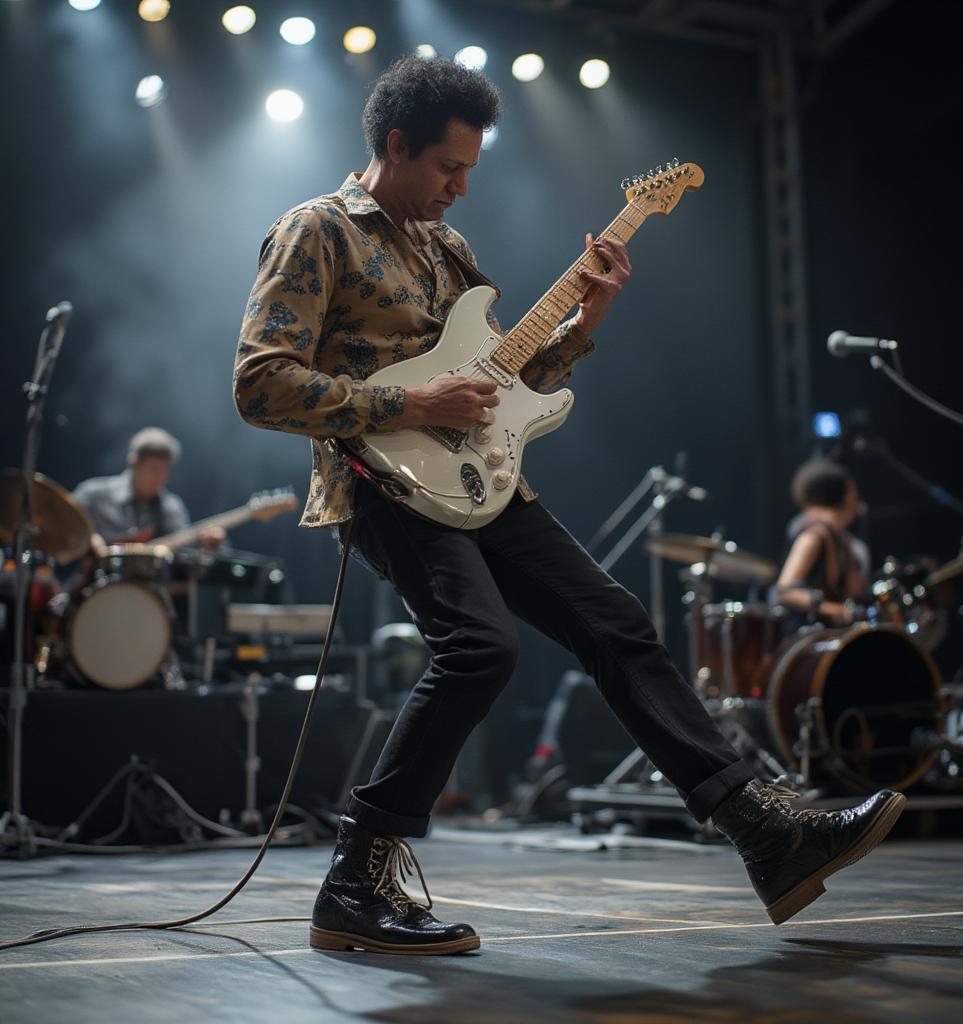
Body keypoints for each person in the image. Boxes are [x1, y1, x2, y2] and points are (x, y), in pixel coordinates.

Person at [234, 56, 904, 956]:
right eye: (447, 168)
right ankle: (354, 880)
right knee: (478, 648)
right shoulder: (317, 231)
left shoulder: (446, 252)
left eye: (471, 169)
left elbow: (505, 380)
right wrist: (410, 405)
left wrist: (586, 322)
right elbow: (260, 384)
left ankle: (764, 834)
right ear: (395, 146)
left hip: (483, 474)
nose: (461, 188)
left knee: (616, 620)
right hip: (380, 478)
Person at [72, 427, 225, 557]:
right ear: (134, 463)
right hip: (90, 584)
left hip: (148, 589)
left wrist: (208, 545)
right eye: (154, 470)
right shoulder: (94, 493)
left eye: (165, 471)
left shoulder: (171, 508)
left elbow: (185, 557)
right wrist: (88, 538)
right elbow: (61, 524)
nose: (161, 479)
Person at [775, 459, 870, 626]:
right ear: (845, 494)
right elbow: (784, 592)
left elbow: (853, 594)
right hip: (807, 635)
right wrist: (832, 609)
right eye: (853, 491)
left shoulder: (843, 541)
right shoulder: (813, 537)